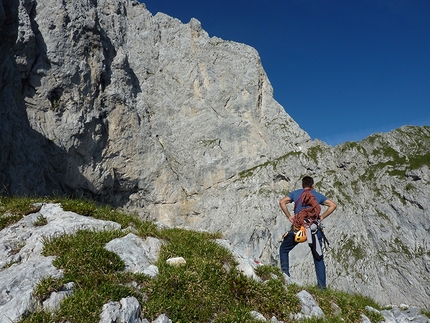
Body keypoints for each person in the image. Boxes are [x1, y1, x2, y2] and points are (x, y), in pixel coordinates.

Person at [279, 176, 337, 289]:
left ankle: (285, 276)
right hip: (314, 228)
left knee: (284, 249)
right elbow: (333, 205)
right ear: (312, 185)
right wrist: (321, 217)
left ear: (302, 185)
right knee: (318, 257)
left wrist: (289, 217)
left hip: (299, 228)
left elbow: (282, 202)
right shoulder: (317, 195)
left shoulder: (296, 193)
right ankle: (322, 287)